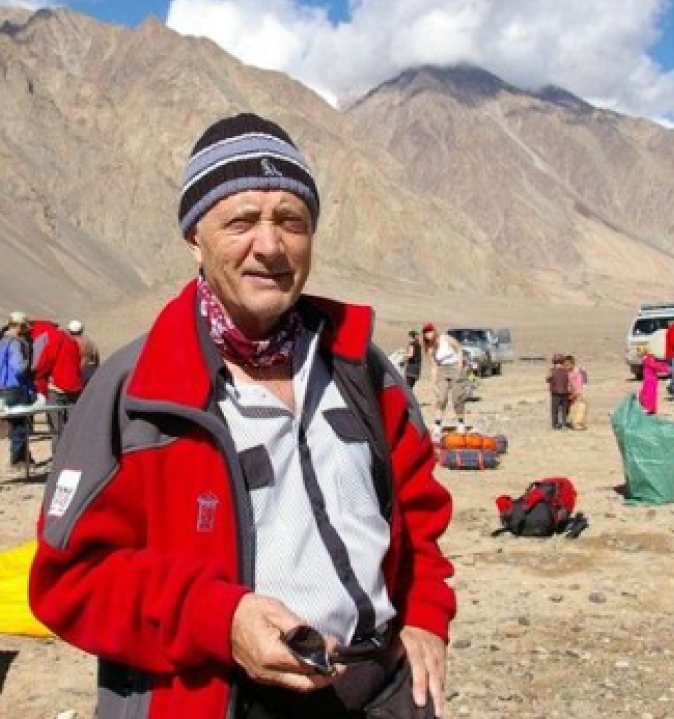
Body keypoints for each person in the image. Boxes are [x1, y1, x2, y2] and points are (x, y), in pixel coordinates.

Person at [30, 113, 455, 719]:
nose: (271, 245)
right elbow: (71, 580)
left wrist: (426, 616)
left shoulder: (360, 368)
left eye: (291, 220)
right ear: (194, 239)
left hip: (384, 693)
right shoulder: (138, 393)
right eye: (241, 221)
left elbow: (419, 515)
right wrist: (221, 620)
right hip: (223, 701)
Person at [0, 311, 34, 466]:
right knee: (20, 426)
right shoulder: (15, 343)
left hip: (2, 388)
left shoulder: (1, 342)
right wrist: (29, 363)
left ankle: (24, 457)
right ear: (19, 326)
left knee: (15, 425)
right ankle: (18, 460)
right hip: (15, 388)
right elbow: (18, 368)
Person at [423, 322, 468, 435]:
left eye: (430, 331)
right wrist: (434, 382)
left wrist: (459, 366)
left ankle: (461, 423)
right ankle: (438, 424)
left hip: (454, 366)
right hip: (442, 370)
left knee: (457, 397)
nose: (428, 334)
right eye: (426, 332)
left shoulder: (445, 338)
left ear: (434, 331)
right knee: (441, 398)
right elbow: (434, 366)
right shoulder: (430, 348)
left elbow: (459, 348)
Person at [67, 319, 101, 384]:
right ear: (82, 330)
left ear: (69, 331)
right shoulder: (88, 341)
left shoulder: (69, 342)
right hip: (90, 370)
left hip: (78, 373)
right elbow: (96, 357)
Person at [636, 347, 668, 415]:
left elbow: (655, 366)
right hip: (648, 379)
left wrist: (665, 369)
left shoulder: (647, 359)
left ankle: (648, 408)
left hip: (651, 380)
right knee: (647, 393)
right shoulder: (647, 359)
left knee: (649, 394)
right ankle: (649, 408)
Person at [547, 354, 572, 429]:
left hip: (555, 393)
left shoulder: (552, 370)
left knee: (555, 410)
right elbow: (569, 381)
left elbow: (547, 379)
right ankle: (564, 424)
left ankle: (555, 424)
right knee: (564, 410)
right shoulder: (566, 370)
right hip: (565, 393)